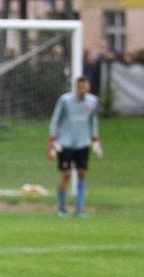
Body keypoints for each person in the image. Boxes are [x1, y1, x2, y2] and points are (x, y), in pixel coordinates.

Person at [47, 76, 102, 218]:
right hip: (65, 143)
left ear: (88, 87)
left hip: (82, 143)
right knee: (66, 174)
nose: (82, 90)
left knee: (82, 173)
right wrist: (53, 141)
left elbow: (92, 121)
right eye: (79, 87)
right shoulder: (65, 101)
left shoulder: (92, 101)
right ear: (75, 88)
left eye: (84, 87)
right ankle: (61, 207)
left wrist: (95, 140)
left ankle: (80, 208)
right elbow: (55, 120)